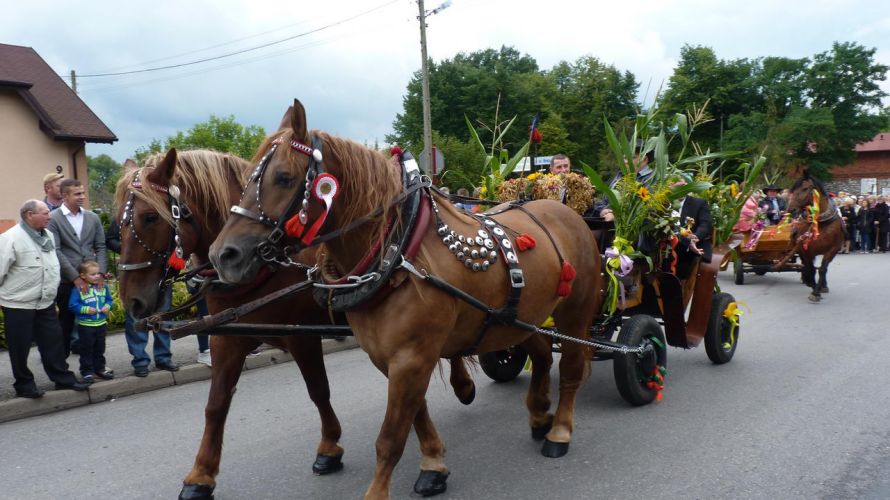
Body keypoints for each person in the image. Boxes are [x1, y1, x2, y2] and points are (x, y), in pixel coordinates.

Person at [0, 200, 88, 398]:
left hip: (45, 300)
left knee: (53, 342)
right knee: (19, 346)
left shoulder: (47, 235)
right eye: (45, 213)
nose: (49, 216)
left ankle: (63, 379)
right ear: (30, 215)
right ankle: (24, 385)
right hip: (18, 303)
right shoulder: (10, 238)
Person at [105, 216, 179, 376]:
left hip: (160, 272)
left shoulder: (160, 214)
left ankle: (163, 357)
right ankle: (140, 361)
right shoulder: (122, 214)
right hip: (135, 275)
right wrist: (130, 250)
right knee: (135, 317)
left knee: (163, 315)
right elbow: (110, 239)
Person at [47, 179, 107, 358]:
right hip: (67, 280)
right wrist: (75, 277)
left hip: (93, 279)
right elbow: (55, 250)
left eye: (83, 193)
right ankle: (62, 366)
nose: (82, 196)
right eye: (77, 194)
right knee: (65, 322)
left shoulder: (92, 217)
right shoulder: (54, 218)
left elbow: (101, 246)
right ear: (65, 195)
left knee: (95, 322)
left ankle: (96, 364)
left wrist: (101, 273)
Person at [68, 260, 114, 383]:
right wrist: (86, 309)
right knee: (86, 349)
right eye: (93, 274)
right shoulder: (78, 289)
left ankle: (100, 369)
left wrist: (108, 307)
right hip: (86, 325)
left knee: (100, 348)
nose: (97, 276)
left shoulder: (103, 287)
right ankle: (86, 372)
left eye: (98, 273)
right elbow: (72, 305)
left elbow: (109, 300)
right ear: (83, 276)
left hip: (101, 324)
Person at [673, 182, 713, 278]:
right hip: (670, 246)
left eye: (683, 186)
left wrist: (695, 236)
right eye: (677, 186)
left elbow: (705, 224)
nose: (680, 189)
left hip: (692, 249)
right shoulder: (665, 203)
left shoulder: (699, 203)